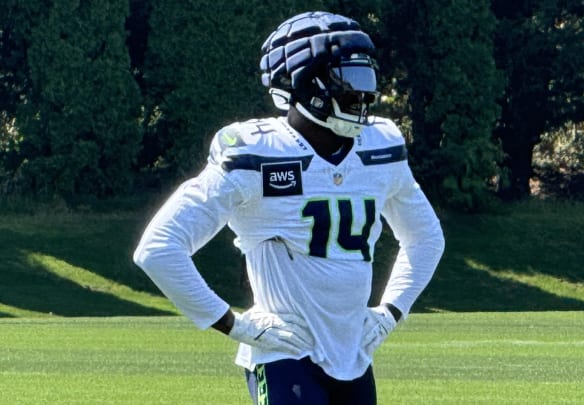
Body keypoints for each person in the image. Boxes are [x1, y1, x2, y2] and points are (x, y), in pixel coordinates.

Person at [133, 10, 445, 405]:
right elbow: (158, 248)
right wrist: (235, 325)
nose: (363, 95)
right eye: (348, 79)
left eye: (366, 78)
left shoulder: (380, 145)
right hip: (283, 350)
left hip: (354, 352)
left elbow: (425, 237)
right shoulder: (255, 153)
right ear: (304, 84)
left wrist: (390, 312)